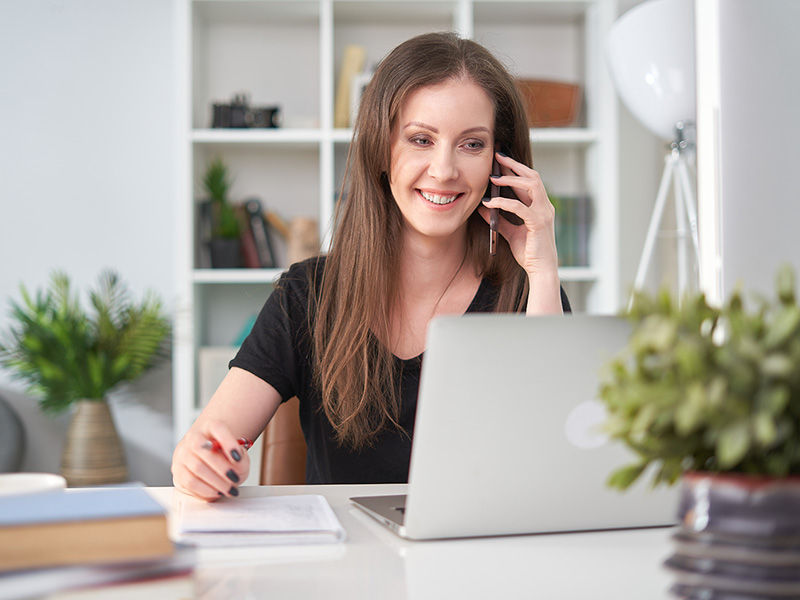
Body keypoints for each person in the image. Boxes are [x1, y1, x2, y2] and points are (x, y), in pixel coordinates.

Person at [171, 31, 571, 500]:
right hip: (344, 566)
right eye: (421, 139)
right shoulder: (308, 295)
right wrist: (197, 462)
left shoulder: (528, 295)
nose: (443, 170)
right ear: (382, 150)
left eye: (471, 145)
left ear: (498, 166)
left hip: (482, 560)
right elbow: (209, 441)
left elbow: (558, 462)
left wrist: (543, 270)